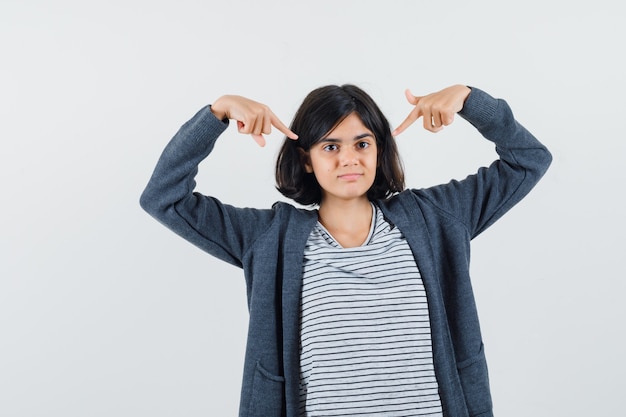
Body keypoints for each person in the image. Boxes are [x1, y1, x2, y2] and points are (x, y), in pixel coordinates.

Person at [140, 84, 552, 417]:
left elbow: (528, 160)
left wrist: (469, 100)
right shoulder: (269, 238)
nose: (349, 160)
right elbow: (164, 197)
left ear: (379, 150)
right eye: (331, 147)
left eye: (362, 144)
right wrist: (217, 113)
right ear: (306, 160)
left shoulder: (435, 218)